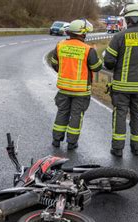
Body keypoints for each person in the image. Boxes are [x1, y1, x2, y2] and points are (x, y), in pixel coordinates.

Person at [103, 3, 138, 157]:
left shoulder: (119, 36)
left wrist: (117, 66)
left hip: (121, 87)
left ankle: (117, 149)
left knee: (120, 115)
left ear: (127, 19)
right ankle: (136, 148)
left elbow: (108, 61)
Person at [50, 19, 103, 150]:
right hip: (81, 91)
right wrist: (96, 54)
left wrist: (62, 72)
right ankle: (71, 143)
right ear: (82, 33)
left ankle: (56, 140)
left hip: (63, 89)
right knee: (76, 116)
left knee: (62, 113)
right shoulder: (88, 49)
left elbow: (54, 62)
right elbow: (96, 67)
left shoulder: (60, 45)